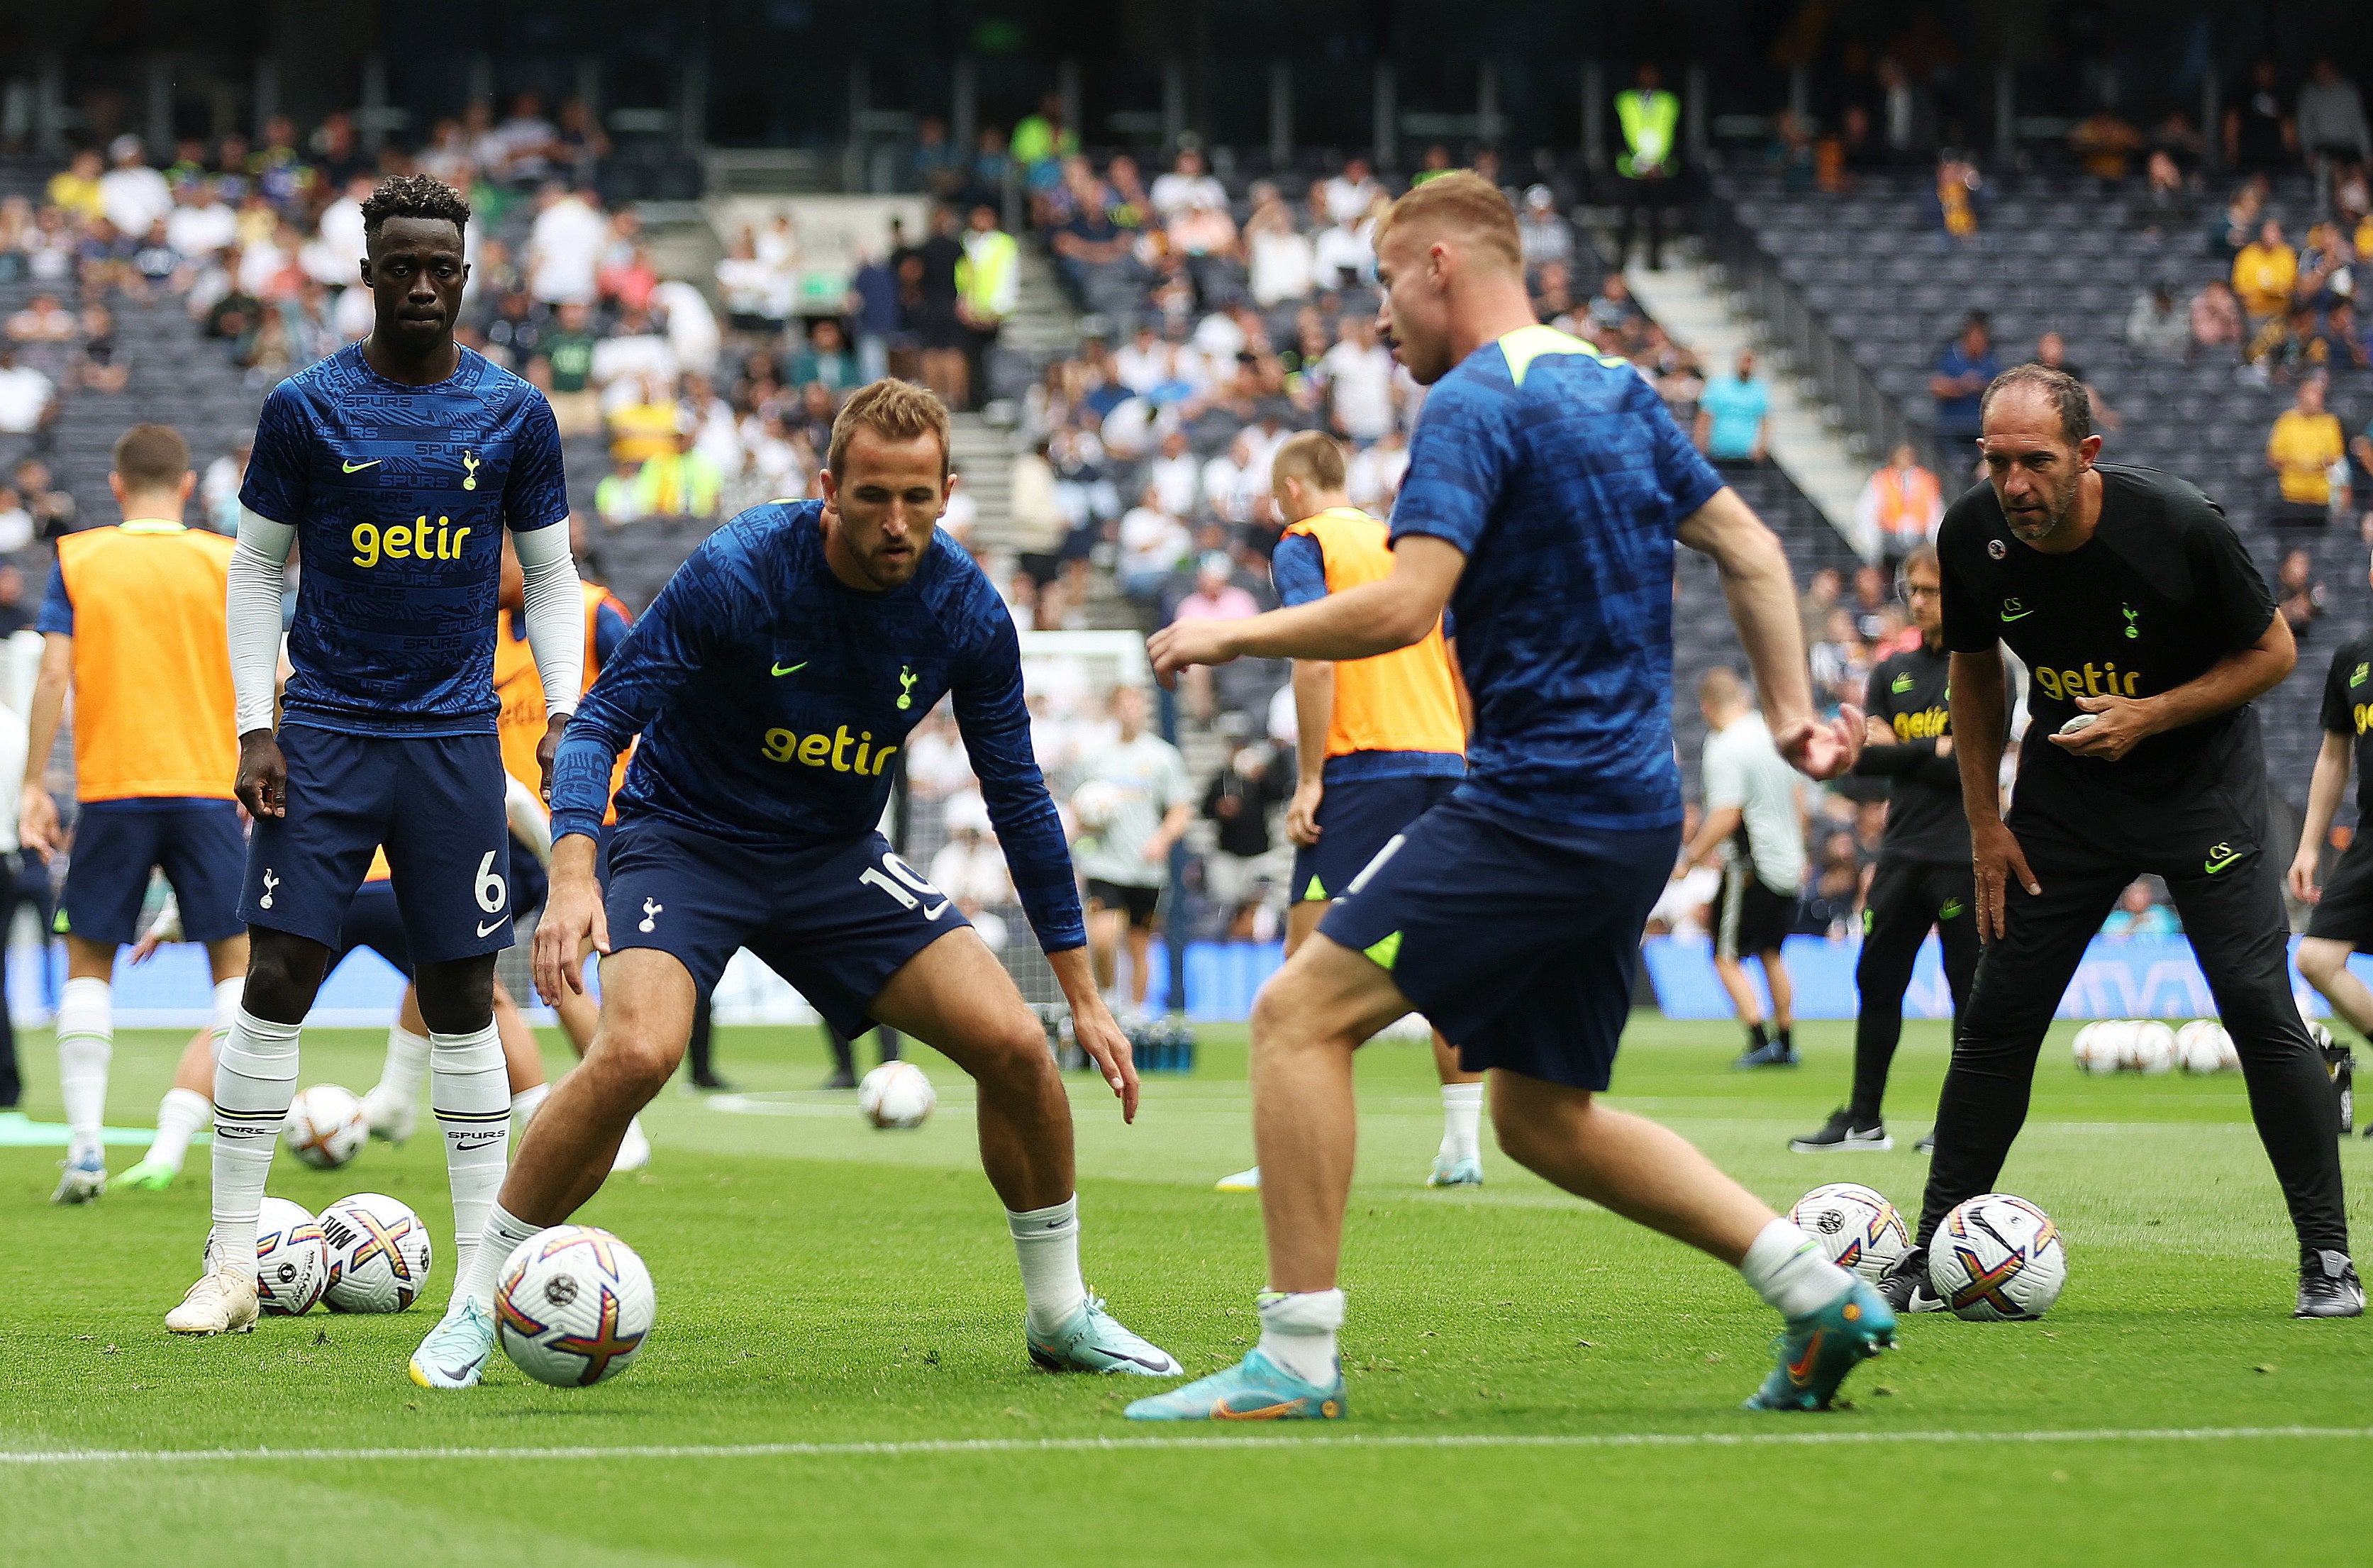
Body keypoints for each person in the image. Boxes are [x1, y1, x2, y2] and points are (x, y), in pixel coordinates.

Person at [1135, 172, 1887, 1422]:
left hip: (1542, 799)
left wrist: (1232, 636)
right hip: (1635, 803)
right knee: (1542, 1117)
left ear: (1439, 263)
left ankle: (1295, 1361)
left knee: (1293, 1017)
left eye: (1382, 284)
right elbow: (1754, 551)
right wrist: (1793, 715)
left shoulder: (1476, 403)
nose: (1377, 319)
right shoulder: (1617, 387)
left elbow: (1405, 603)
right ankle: (1819, 1292)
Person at [415, 378, 1177, 1390]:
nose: (896, 521)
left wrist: (1084, 992)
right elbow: (600, 719)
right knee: (638, 1048)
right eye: (872, 495)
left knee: (1015, 1046)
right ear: (829, 486)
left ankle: (1059, 1313)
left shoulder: (964, 609)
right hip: (682, 836)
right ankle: (474, 1299)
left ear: (948, 491)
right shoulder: (742, 568)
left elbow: (1021, 799)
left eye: (918, 498)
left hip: (830, 856)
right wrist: (571, 865)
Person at [164, 175, 587, 1337]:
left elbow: (548, 578)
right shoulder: (307, 408)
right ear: (366, 276)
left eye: (436, 266)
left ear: (464, 274)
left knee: (461, 993)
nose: (417, 284)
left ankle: (477, 1277)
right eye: (397, 264)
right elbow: (255, 570)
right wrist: (257, 723)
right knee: (277, 977)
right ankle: (233, 1263)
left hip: (455, 739)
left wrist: (560, 710)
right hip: (329, 732)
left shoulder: (514, 415)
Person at [1894, 362, 2357, 1320]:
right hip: (2066, 791)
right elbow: (1975, 680)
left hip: (2197, 788)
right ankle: (1934, 1246)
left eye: (2035, 461)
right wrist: (1984, 821)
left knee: (2255, 1006)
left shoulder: (2176, 522)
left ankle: (2327, 1258)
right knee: (1995, 1018)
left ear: (2086, 454)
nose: (2013, 483)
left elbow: (2271, 652)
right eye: (1997, 459)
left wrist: (2149, 714)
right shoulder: (1970, 533)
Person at [1211, 431, 1480, 1196]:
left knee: (1301, 971)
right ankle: (1461, 1148)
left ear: (1293, 491)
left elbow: (1316, 653)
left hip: (1363, 765)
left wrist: (1307, 778)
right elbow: (1456, 663)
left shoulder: (1306, 542)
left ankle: (1289, 1155)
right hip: (1443, 761)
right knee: (1443, 956)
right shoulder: (1403, 545)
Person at [355, 529, 650, 1170]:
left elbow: (648, 703)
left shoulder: (595, 612)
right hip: (500, 826)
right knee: (450, 947)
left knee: (562, 962)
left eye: (498, 556)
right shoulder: (472, 629)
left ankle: (615, 1118)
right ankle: (397, 1098)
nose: (484, 570)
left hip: (587, 824)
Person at [16, 425, 248, 1204]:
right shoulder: (223, 560)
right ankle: (240, 1144)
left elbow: (52, 678)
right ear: (187, 488)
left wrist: (32, 786)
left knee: (88, 965)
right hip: (209, 786)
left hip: (113, 787)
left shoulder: (79, 558)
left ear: (116, 487)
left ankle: (84, 1150)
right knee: (234, 965)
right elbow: (276, 671)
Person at [1791, 545, 1981, 1155]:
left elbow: (1966, 765)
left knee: (1966, 989)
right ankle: (1864, 1118)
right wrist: (1930, 750)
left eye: (1931, 590)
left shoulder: (1981, 667)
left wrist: (1904, 749)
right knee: (1877, 980)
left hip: (1963, 851)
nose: (1918, 602)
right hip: (1902, 851)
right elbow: (1866, 762)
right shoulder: (1889, 673)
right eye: (1913, 591)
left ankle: (1959, 1122)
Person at [1678, 667, 1806, 1069]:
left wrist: (1692, 857)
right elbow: (1798, 795)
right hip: (1788, 861)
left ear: (1706, 706)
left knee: (1724, 954)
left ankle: (1757, 1038)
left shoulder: (1725, 745)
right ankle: (1786, 1040)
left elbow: (1727, 814)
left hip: (1751, 866)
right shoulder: (1770, 735)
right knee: (1772, 952)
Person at [2292, 572, 2373, 1130]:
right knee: (2316, 957)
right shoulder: (2353, 659)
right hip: (2370, 839)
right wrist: (2307, 846)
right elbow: (2333, 756)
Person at [1069, 684, 1192, 1021]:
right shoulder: (1095, 757)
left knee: (1140, 944)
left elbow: (1180, 810)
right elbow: (1076, 807)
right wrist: (1086, 821)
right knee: (1103, 937)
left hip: (1145, 867)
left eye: (1137, 704)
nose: (1132, 711)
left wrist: (1162, 840)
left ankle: (1136, 1016)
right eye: (1125, 705)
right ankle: (1110, 998)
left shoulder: (1162, 757)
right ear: (1114, 710)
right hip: (1104, 865)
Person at [1614, 64, 1679, 269]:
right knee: (1628, 218)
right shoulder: (1625, 100)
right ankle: (1621, 261)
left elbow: (1669, 133)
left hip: (1659, 171)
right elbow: (1622, 132)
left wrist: (1656, 164)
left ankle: (1655, 262)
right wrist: (1640, 163)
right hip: (1631, 171)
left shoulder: (1668, 102)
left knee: (1657, 220)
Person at [2267, 375, 2345, 529]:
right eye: (2312, 394)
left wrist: (2316, 465)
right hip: (2292, 495)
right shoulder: (2286, 421)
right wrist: (2300, 465)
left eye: (2318, 395)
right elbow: (2274, 458)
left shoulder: (2330, 423)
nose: (2316, 399)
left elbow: (2335, 456)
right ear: (2301, 395)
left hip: (2320, 496)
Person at [1856, 443, 1944, 562]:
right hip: (1890, 538)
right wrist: (1873, 542)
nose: (1906, 458)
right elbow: (1867, 510)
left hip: (1919, 538)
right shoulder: (1881, 479)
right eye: (1902, 455)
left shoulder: (1926, 479)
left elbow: (1936, 511)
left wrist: (1933, 539)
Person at [1929, 313, 1998, 446]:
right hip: (1952, 426)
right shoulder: (1950, 357)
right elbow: (1937, 387)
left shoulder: (1990, 359)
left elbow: (1998, 387)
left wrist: (1979, 386)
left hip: (1980, 425)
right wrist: (1963, 385)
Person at [1694, 348, 1770, 467]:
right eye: (1744, 360)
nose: (1747, 364)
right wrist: (1700, 445)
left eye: (1750, 361)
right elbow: (1705, 417)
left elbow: (1765, 420)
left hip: (1747, 457)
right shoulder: (1718, 386)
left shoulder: (1759, 390)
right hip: (1718, 454)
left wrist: (1762, 446)